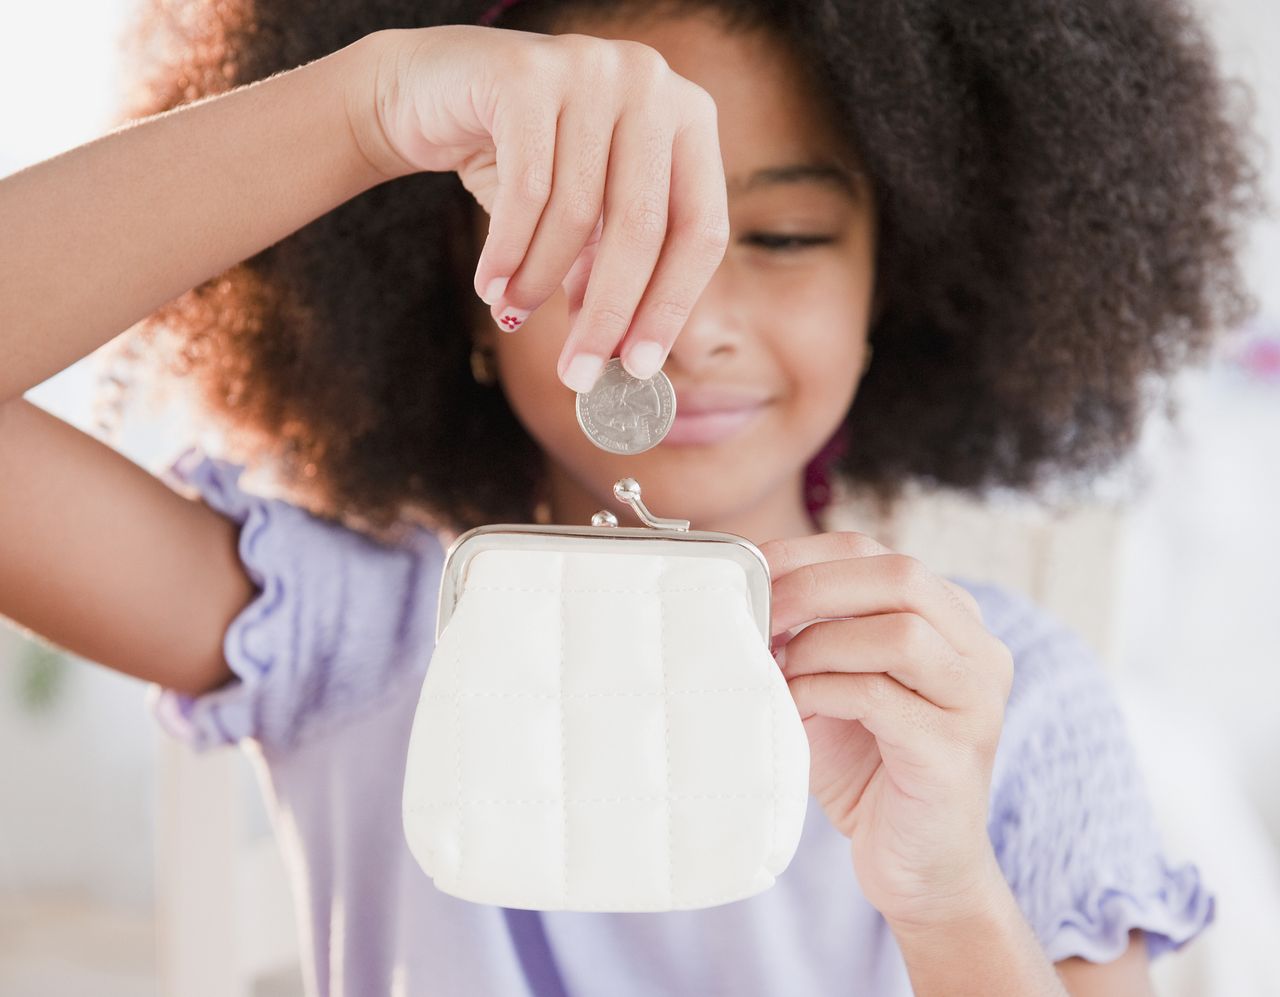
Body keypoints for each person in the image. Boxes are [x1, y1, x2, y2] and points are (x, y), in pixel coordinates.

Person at [0, 0, 1262, 993]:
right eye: (594, 237)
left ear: (892, 290)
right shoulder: (356, 633)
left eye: (780, 239)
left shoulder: (1008, 705)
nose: (690, 322)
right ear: (464, 300)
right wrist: (367, 113)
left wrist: (946, 898)